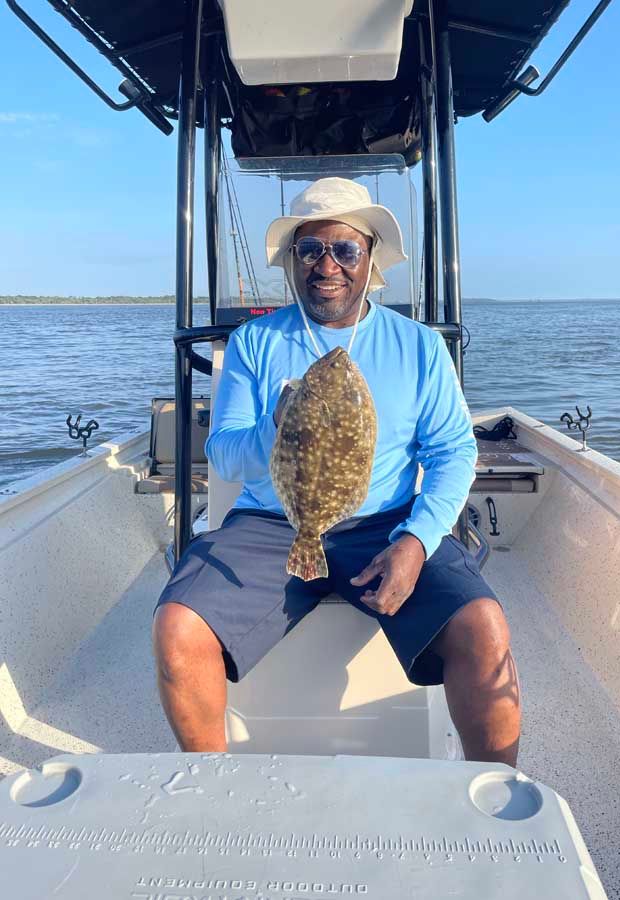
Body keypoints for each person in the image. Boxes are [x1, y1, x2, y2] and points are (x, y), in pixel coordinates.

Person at [153, 177, 521, 765]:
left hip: (386, 523)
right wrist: (277, 426)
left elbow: (452, 453)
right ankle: (210, 789)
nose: (328, 265)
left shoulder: (419, 347)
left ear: (371, 258)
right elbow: (223, 454)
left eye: (345, 249)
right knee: (176, 628)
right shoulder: (254, 342)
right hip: (274, 522)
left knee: (484, 629)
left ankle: (494, 795)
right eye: (310, 249)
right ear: (293, 260)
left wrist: (417, 542)